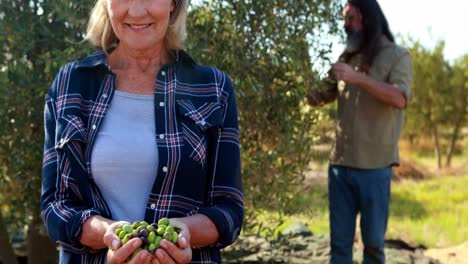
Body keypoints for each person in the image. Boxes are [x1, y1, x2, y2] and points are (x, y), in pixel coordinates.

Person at [41, 0, 244, 263]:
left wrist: (183, 233)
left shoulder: (214, 88)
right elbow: (54, 206)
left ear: (174, 4)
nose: (137, 11)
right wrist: (107, 234)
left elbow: (229, 210)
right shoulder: (70, 83)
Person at [307, 0, 412, 263]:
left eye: (350, 18)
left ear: (367, 18)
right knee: (339, 247)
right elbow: (317, 97)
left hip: (375, 169)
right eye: (344, 19)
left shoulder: (397, 55)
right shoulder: (347, 57)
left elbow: (400, 99)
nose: (346, 25)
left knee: (374, 247)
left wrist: (357, 78)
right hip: (340, 167)